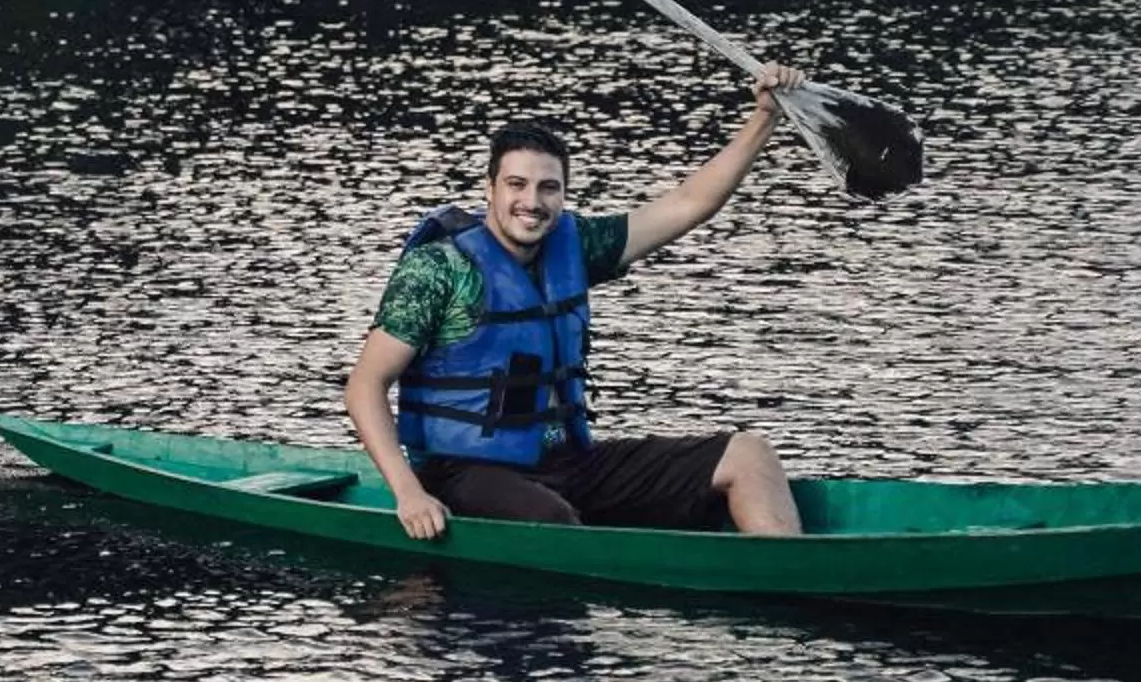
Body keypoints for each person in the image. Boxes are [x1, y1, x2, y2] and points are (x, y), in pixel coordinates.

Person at [341, 65, 808, 540]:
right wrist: (408, 493)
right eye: (516, 184)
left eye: (549, 187)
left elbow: (690, 203)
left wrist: (764, 117)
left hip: (568, 461)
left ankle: (785, 579)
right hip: (464, 470)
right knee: (557, 524)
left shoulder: (576, 244)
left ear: (563, 193)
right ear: (490, 188)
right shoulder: (438, 270)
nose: (532, 201)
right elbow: (364, 386)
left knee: (749, 454)